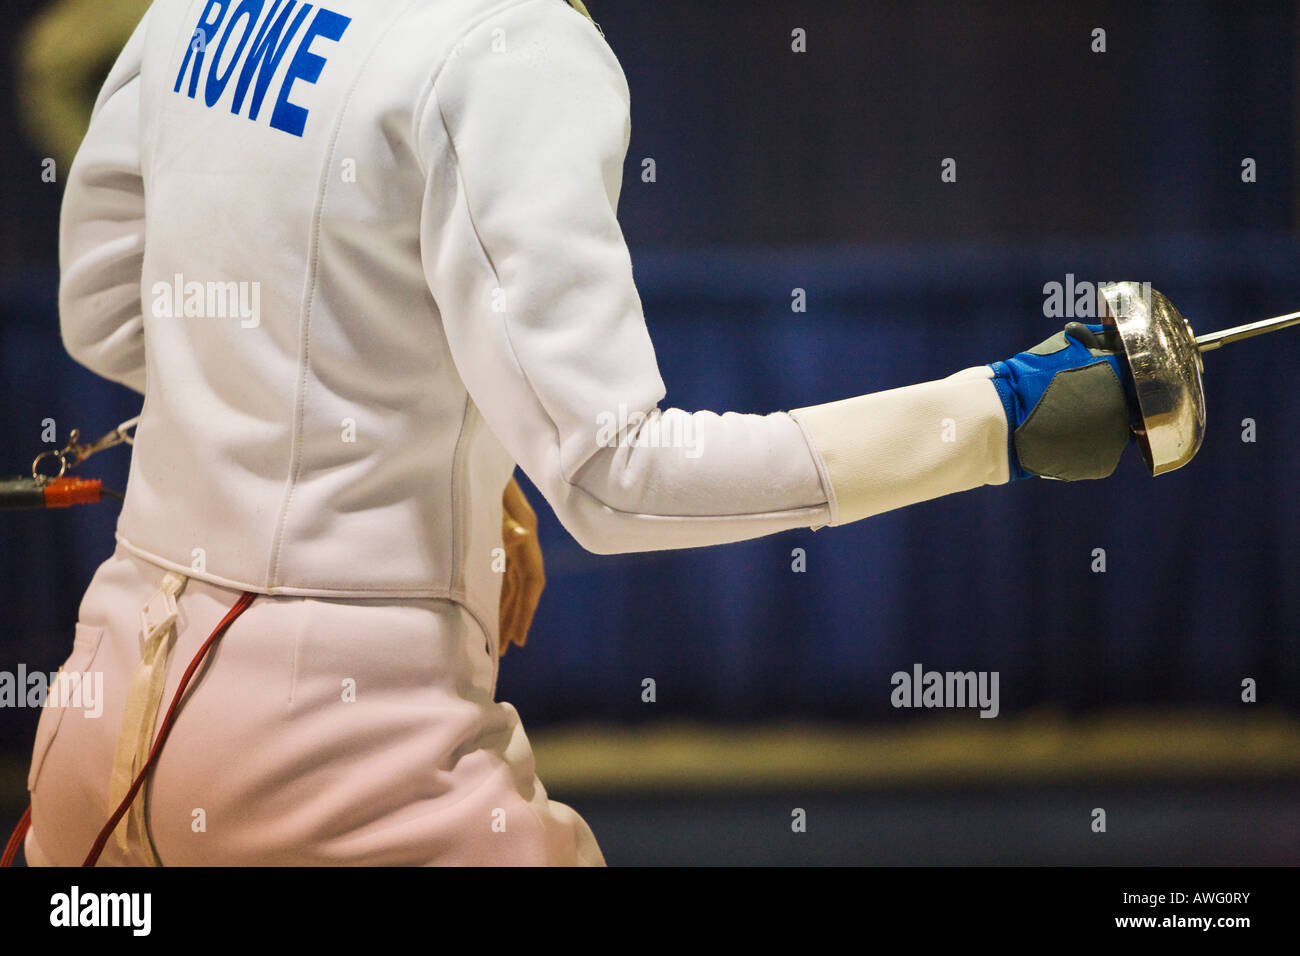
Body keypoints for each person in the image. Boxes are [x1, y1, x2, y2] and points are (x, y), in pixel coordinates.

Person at [25, 0, 1145, 866]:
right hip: (345, 756)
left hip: (98, 724)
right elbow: (615, 477)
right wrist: (998, 418)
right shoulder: (508, 44)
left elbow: (111, 314)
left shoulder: (198, 12)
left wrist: (440, 450)